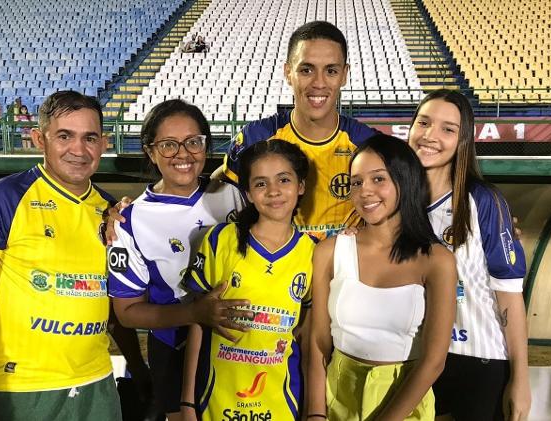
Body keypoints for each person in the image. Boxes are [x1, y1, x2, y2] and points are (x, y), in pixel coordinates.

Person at [0, 90, 122, 421]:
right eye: (65, 136)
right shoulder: (2, 198)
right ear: (40, 139)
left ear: (104, 143)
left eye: (90, 138)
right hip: (22, 389)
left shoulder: (111, 211)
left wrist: (136, 367)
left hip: (98, 384)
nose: (78, 150)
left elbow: (118, 300)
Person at [106, 99, 252, 421]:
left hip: (245, 344)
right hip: (173, 352)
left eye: (193, 142)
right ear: (150, 151)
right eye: (169, 145)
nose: (183, 154)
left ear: (206, 145)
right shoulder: (130, 220)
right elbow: (127, 313)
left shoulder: (235, 197)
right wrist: (195, 312)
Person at [306, 134, 457, 420]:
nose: (364, 191)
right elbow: (318, 343)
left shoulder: (438, 261)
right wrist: (316, 413)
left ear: (405, 180)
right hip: (336, 399)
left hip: (405, 406)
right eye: (356, 182)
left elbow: (434, 362)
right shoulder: (330, 251)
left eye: (378, 179)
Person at [407, 89, 530, 421]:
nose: (430, 135)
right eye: (424, 122)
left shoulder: (483, 201)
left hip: (479, 362)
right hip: (414, 359)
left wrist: (520, 379)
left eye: (448, 129)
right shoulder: (393, 203)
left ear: (463, 140)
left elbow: (510, 298)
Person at [182, 139, 314, 421]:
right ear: (248, 193)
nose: (274, 191)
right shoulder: (219, 240)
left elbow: (310, 338)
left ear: (300, 185)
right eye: (261, 184)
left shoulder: (314, 252)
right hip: (217, 398)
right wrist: (188, 403)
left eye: (284, 179)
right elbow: (198, 324)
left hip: (282, 401)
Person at [217, 20, 377, 240]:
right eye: (306, 70)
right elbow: (221, 194)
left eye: (331, 70)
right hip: (274, 268)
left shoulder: (367, 143)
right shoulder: (256, 138)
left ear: (344, 75)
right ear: (288, 72)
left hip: (342, 268)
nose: (318, 83)